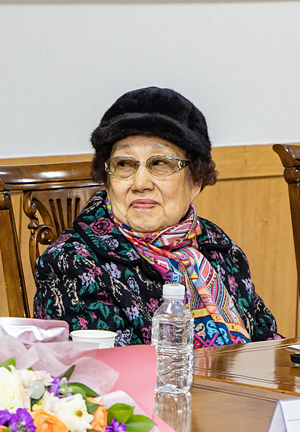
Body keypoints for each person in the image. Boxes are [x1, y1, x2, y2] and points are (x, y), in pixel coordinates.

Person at [33, 86, 280, 347]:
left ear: (196, 180)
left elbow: (266, 343)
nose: (140, 183)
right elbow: (104, 375)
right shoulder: (70, 262)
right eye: (124, 164)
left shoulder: (215, 245)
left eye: (160, 163)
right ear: (107, 180)